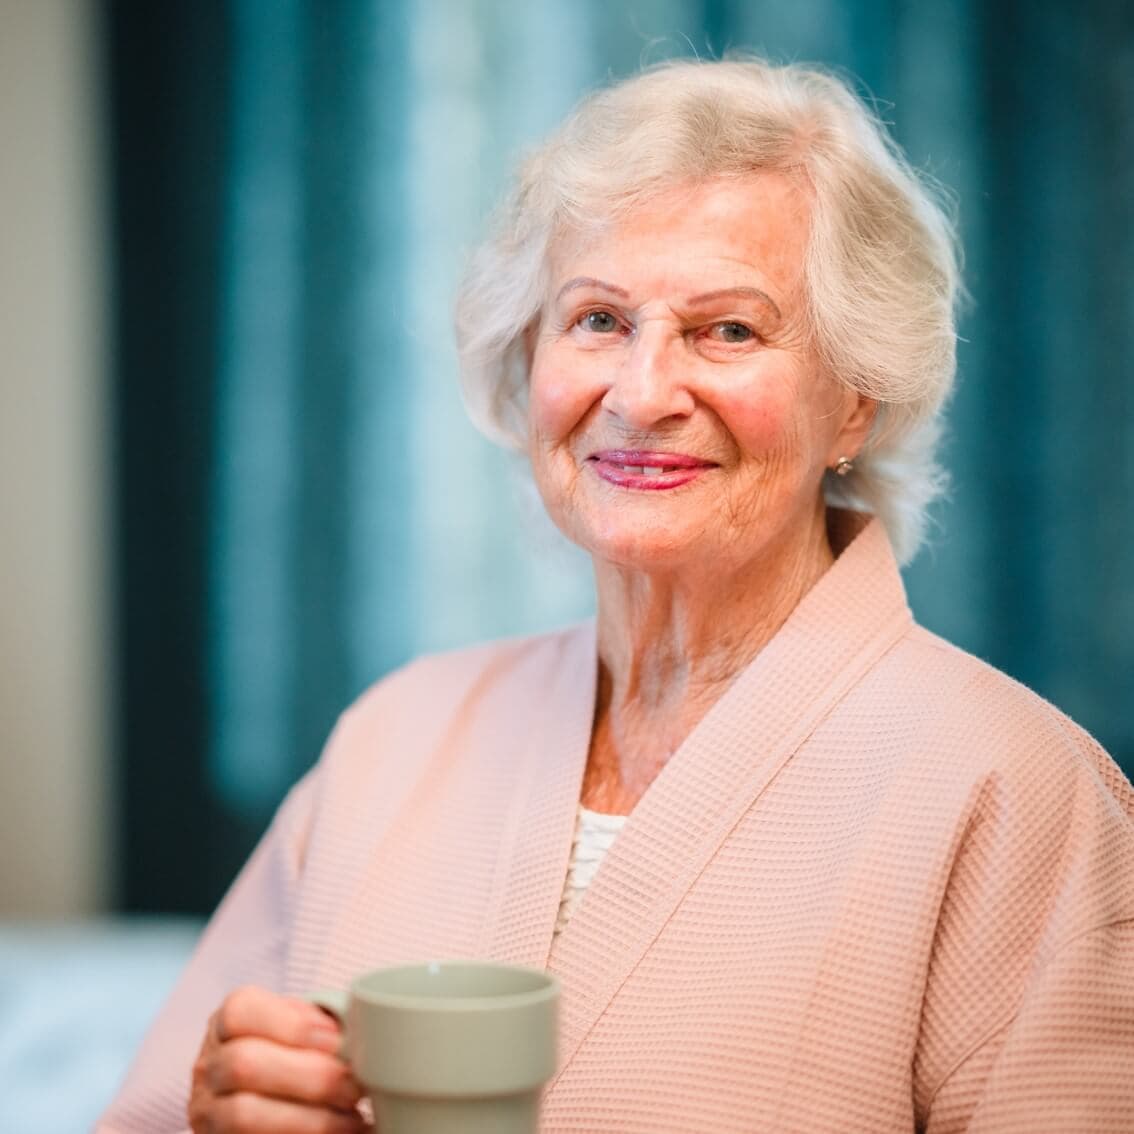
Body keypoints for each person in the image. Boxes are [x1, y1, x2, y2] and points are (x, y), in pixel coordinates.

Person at [99, 57, 1134, 1134]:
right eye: (596, 320)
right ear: (528, 361)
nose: (641, 395)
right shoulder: (392, 737)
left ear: (855, 402)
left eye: (728, 330)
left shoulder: (1019, 791)